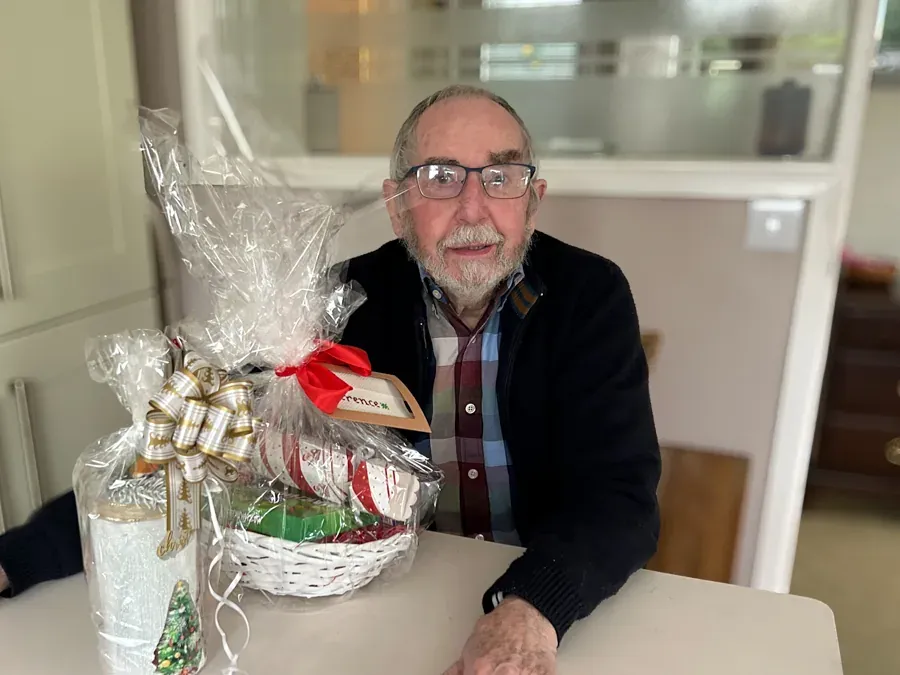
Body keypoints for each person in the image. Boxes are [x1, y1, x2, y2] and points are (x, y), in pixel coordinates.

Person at [0, 85, 661, 675]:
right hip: (375, 599)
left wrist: (533, 607)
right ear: (398, 205)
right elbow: (198, 436)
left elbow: (620, 495)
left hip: (540, 602)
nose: (472, 207)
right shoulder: (333, 303)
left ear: (533, 199)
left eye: (500, 176)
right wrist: (27, 552)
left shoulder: (588, 295)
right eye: (439, 178)